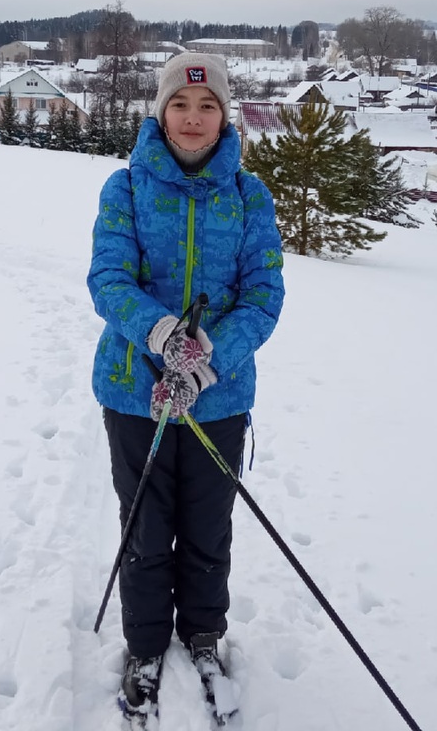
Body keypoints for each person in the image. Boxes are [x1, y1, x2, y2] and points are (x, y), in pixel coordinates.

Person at [87, 52, 285, 717]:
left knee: (208, 527)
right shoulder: (126, 189)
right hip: (133, 393)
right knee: (146, 527)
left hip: (220, 398)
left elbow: (263, 296)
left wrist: (208, 358)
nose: (194, 118)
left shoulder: (250, 196)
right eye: (180, 105)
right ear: (161, 112)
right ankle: (144, 647)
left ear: (225, 115)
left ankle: (203, 636)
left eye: (207, 106)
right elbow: (108, 280)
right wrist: (162, 334)